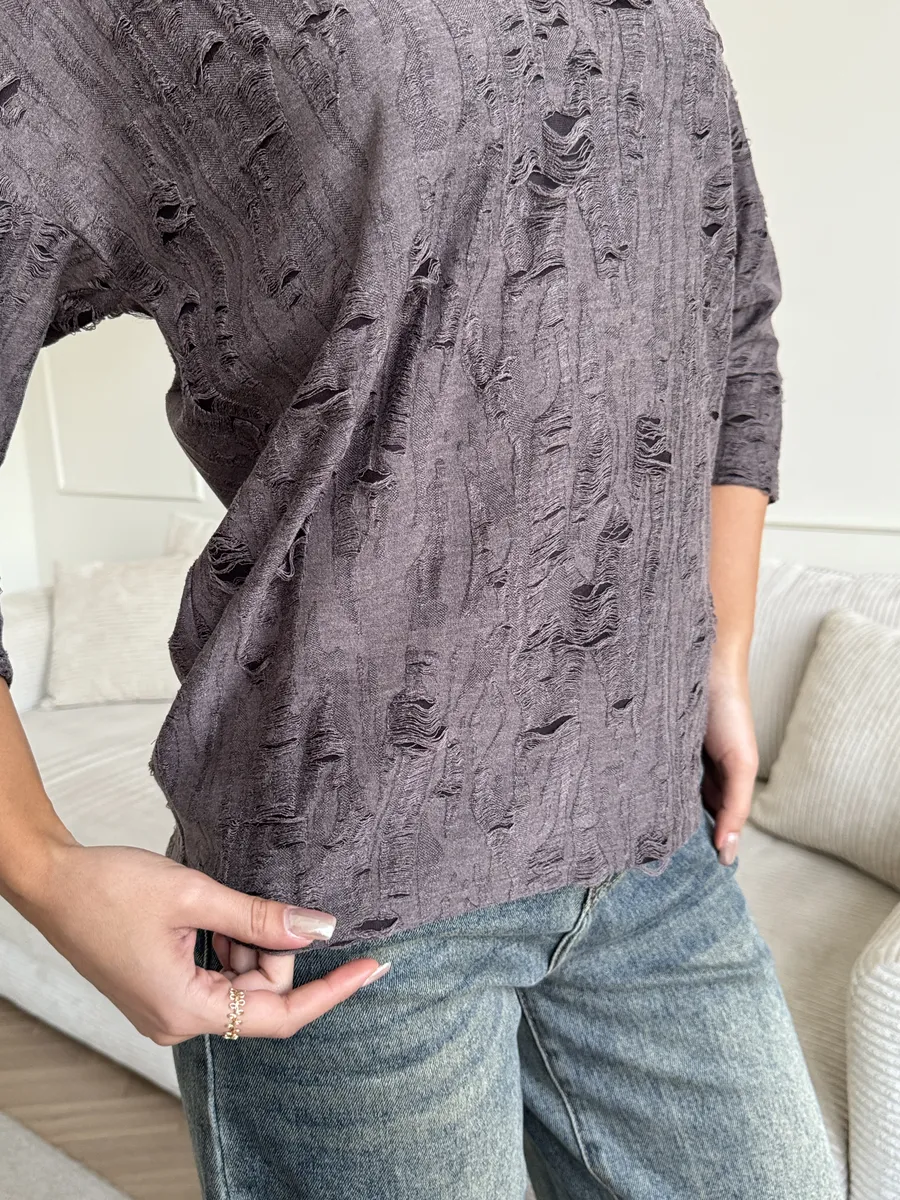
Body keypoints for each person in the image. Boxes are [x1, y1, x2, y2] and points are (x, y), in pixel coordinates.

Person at [0, 3, 842, 1198]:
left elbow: (729, 309)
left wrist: (722, 645)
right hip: (353, 893)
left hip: (655, 845)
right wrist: (39, 866)